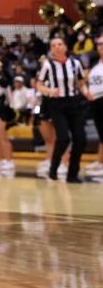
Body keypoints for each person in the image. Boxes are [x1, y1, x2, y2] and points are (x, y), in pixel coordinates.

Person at [36, 37, 90, 182]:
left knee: (81, 139)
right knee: (63, 138)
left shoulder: (75, 63)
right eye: (53, 45)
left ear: (65, 47)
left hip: (74, 103)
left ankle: (72, 174)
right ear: (51, 50)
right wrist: (49, 91)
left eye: (60, 44)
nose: (57, 47)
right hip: (57, 105)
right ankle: (54, 167)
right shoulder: (47, 65)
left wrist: (86, 92)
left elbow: (80, 83)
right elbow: (39, 85)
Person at [82, 35, 103, 178]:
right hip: (95, 102)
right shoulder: (95, 65)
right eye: (99, 44)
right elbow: (82, 82)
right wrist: (86, 92)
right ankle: (100, 162)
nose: (100, 46)